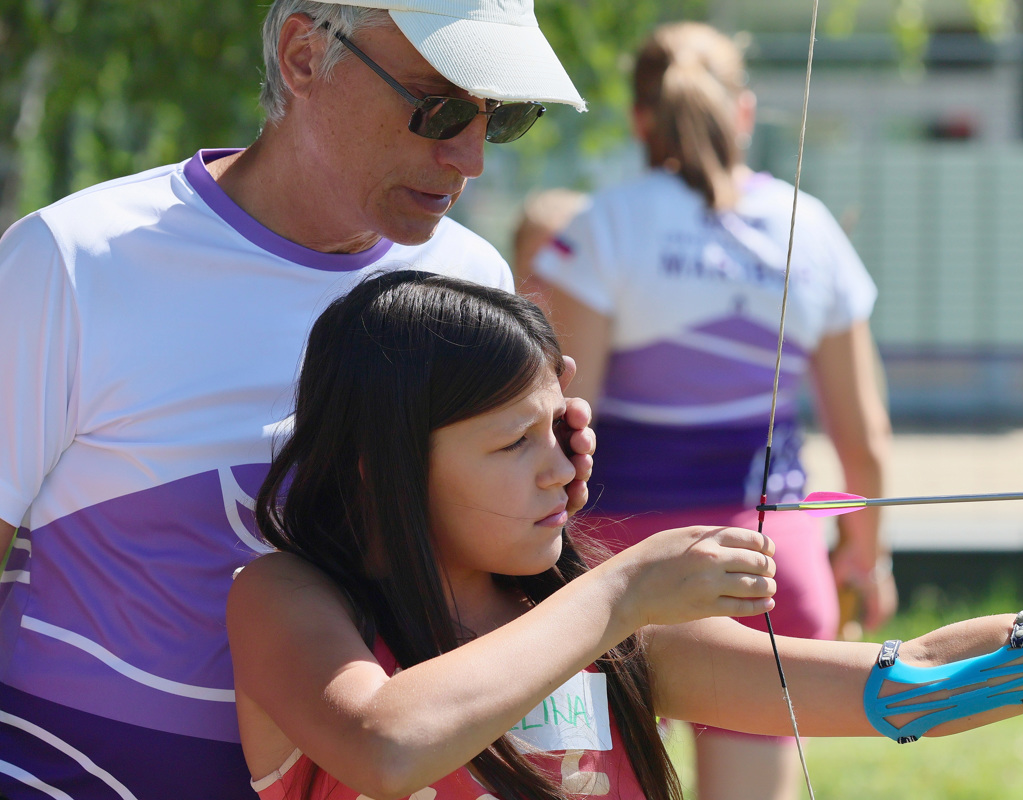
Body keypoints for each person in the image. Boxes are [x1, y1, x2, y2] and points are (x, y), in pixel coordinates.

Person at [228, 269, 1023, 800]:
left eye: (559, 426)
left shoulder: (609, 631)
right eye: (512, 441)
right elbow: (385, 744)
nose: (562, 467)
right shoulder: (289, 599)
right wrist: (619, 590)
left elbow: (919, 683)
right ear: (381, 462)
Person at [0, 3, 596, 798]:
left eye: (503, 116)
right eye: (440, 106)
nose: (471, 157)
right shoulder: (74, 260)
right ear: (305, 55)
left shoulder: (471, 279)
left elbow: (458, 580)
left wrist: (539, 485)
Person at [527, 22, 894, 800]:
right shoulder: (811, 226)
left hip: (616, 567)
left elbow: (561, 416)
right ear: (746, 112)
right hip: (771, 563)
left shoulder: (605, 225)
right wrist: (870, 558)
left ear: (638, 119)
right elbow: (865, 441)